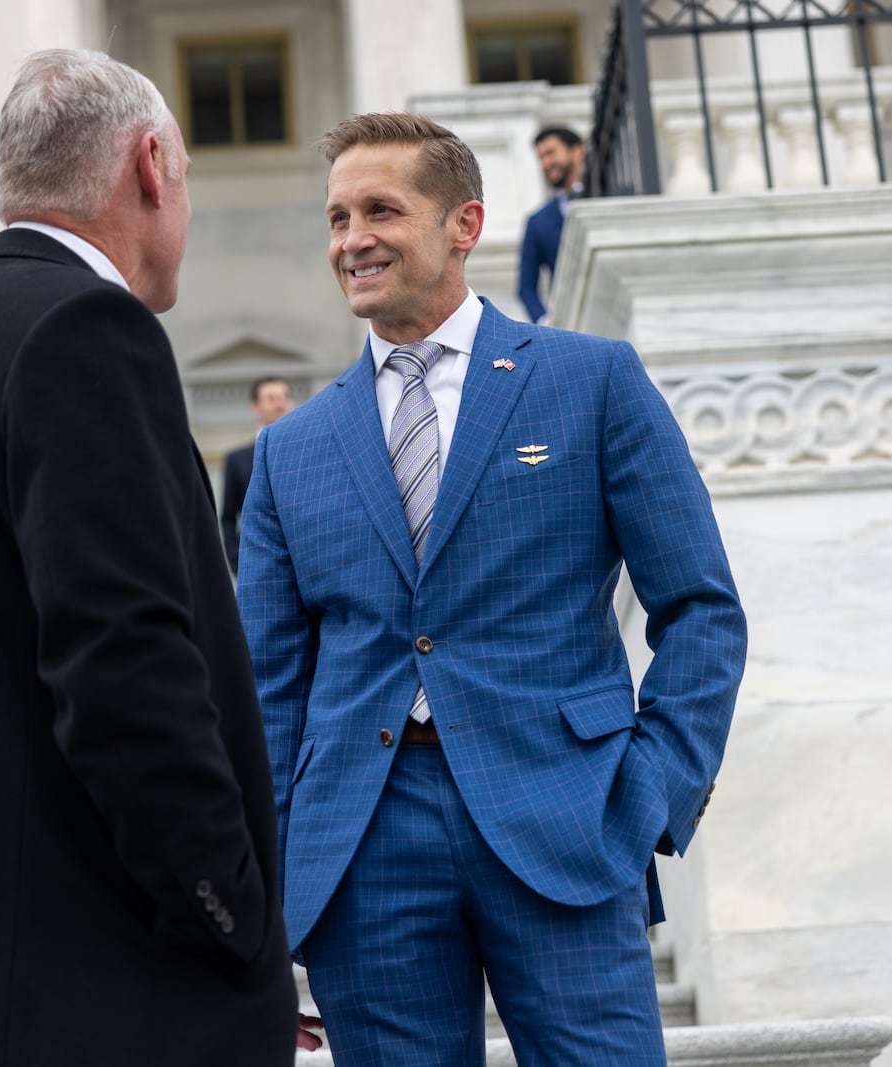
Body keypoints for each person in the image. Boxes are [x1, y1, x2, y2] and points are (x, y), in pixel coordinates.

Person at [0, 49, 299, 1067]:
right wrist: (229, 914)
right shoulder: (83, 329)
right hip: (73, 985)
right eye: (188, 178)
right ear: (151, 168)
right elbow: (126, 665)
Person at [237, 112, 748, 1066]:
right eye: (338, 217)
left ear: (463, 223)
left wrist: (650, 792)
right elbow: (266, 689)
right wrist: (270, 890)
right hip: (361, 850)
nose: (352, 240)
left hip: (570, 815)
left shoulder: (592, 381)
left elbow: (700, 607)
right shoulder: (286, 450)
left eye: (381, 210)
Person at [220, 376, 294, 574]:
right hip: (257, 566)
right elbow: (228, 516)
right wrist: (236, 560)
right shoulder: (237, 459)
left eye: (284, 397)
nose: (280, 404)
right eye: (271, 398)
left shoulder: (308, 451)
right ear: (256, 407)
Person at [517, 126, 586, 325]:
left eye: (551, 153)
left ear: (577, 151)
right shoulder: (537, 222)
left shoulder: (607, 197)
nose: (545, 163)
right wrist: (546, 322)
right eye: (541, 157)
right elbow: (526, 288)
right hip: (570, 325)